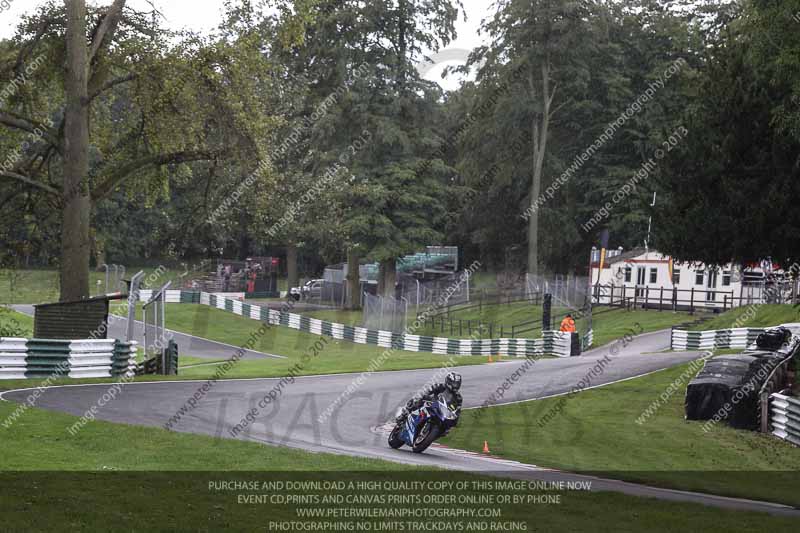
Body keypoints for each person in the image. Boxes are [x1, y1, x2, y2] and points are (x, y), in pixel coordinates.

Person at [397, 372, 463, 423]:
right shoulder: (440, 386)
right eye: (454, 383)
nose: (455, 386)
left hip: (442, 413)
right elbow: (428, 391)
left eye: (457, 384)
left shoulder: (458, 397)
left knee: (448, 425)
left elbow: (457, 411)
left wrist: (454, 419)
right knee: (417, 398)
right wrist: (425, 396)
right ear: (448, 381)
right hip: (431, 404)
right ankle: (403, 414)